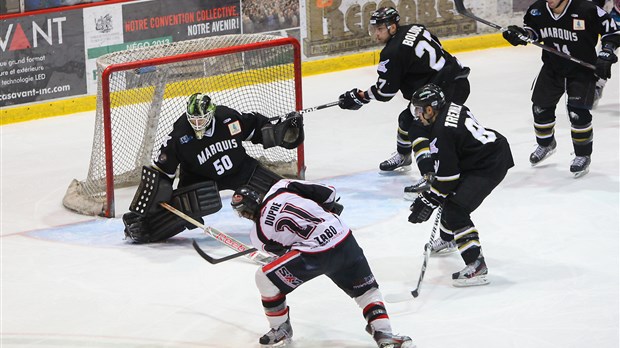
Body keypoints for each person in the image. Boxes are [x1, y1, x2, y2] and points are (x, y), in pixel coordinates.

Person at [231, 180, 414, 348]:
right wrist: (326, 211)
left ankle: (280, 328)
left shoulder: (258, 235)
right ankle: (384, 333)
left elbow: (283, 253)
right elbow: (329, 193)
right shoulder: (281, 187)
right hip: (343, 237)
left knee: (264, 278)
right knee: (366, 291)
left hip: (315, 257)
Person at [122, 93, 304, 243]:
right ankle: (143, 227)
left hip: (240, 169)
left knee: (279, 193)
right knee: (184, 209)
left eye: (202, 119)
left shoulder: (227, 118)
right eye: (194, 119)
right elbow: (162, 172)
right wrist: (152, 206)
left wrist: (277, 132)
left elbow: (255, 128)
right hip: (199, 179)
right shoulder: (179, 136)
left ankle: (310, 213)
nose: (197, 124)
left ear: (211, 114)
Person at [337, 7, 471, 185]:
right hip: (457, 80)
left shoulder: (392, 52)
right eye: (374, 29)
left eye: (380, 29)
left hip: (444, 90)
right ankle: (404, 156)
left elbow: (385, 92)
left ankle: (431, 175)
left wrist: (360, 97)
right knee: (408, 120)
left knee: (419, 128)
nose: (376, 34)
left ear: (392, 27)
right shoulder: (415, 28)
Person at [406, 84, 514, 287]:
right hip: (486, 152)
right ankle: (449, 239)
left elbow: (448, 178)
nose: (418, 115)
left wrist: (429, 200)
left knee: (456, 209)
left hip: (488, 165)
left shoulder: (441, 132)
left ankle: (476, 264)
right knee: (449, 198)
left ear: (430, 109)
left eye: (420, 110)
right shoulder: (453, 107)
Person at [502, 0, 619, 177]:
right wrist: (521, 35)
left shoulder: (586, 9)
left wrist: (607, 51)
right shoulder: (538, 9)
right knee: (540, 108)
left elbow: (613, 31)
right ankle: (546, 144)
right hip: (552, 68)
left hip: (582, 71)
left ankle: (582, 155)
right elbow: (533, 32)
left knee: (577, 114)